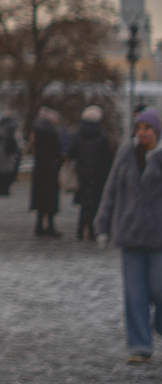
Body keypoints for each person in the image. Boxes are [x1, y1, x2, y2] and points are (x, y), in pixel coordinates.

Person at [95, 108, 162, 361]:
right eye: (139, 128)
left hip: (159, 236)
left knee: (159, 288)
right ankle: (140, 346)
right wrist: (103, 225)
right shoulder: (126, 153)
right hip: (130, 233)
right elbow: (111, 189)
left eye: (148, 128)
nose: (142, 133)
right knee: (134, 293)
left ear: (157, 131)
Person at [67, 106, 114, 241]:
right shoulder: (102, 135)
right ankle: (92, 230)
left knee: (85, 203)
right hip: (98, 174)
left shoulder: (77, 134)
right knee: (95, 203)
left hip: (82, 173)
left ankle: (80, 229)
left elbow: (71, 152)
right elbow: (107, 157)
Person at [29, 106, 62, 237]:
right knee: (50, 199)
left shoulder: (36, 130)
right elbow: (57, 150)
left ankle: (38, 225)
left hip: (39, 169)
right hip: (50, 169)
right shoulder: (52, 132)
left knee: (40, 198)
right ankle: (50, 226)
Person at [0, 115, 21, 197]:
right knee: (7, 172)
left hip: (0, 153)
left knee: (0, 172)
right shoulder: (12, 128)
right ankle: (5, 190)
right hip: (9, 154)